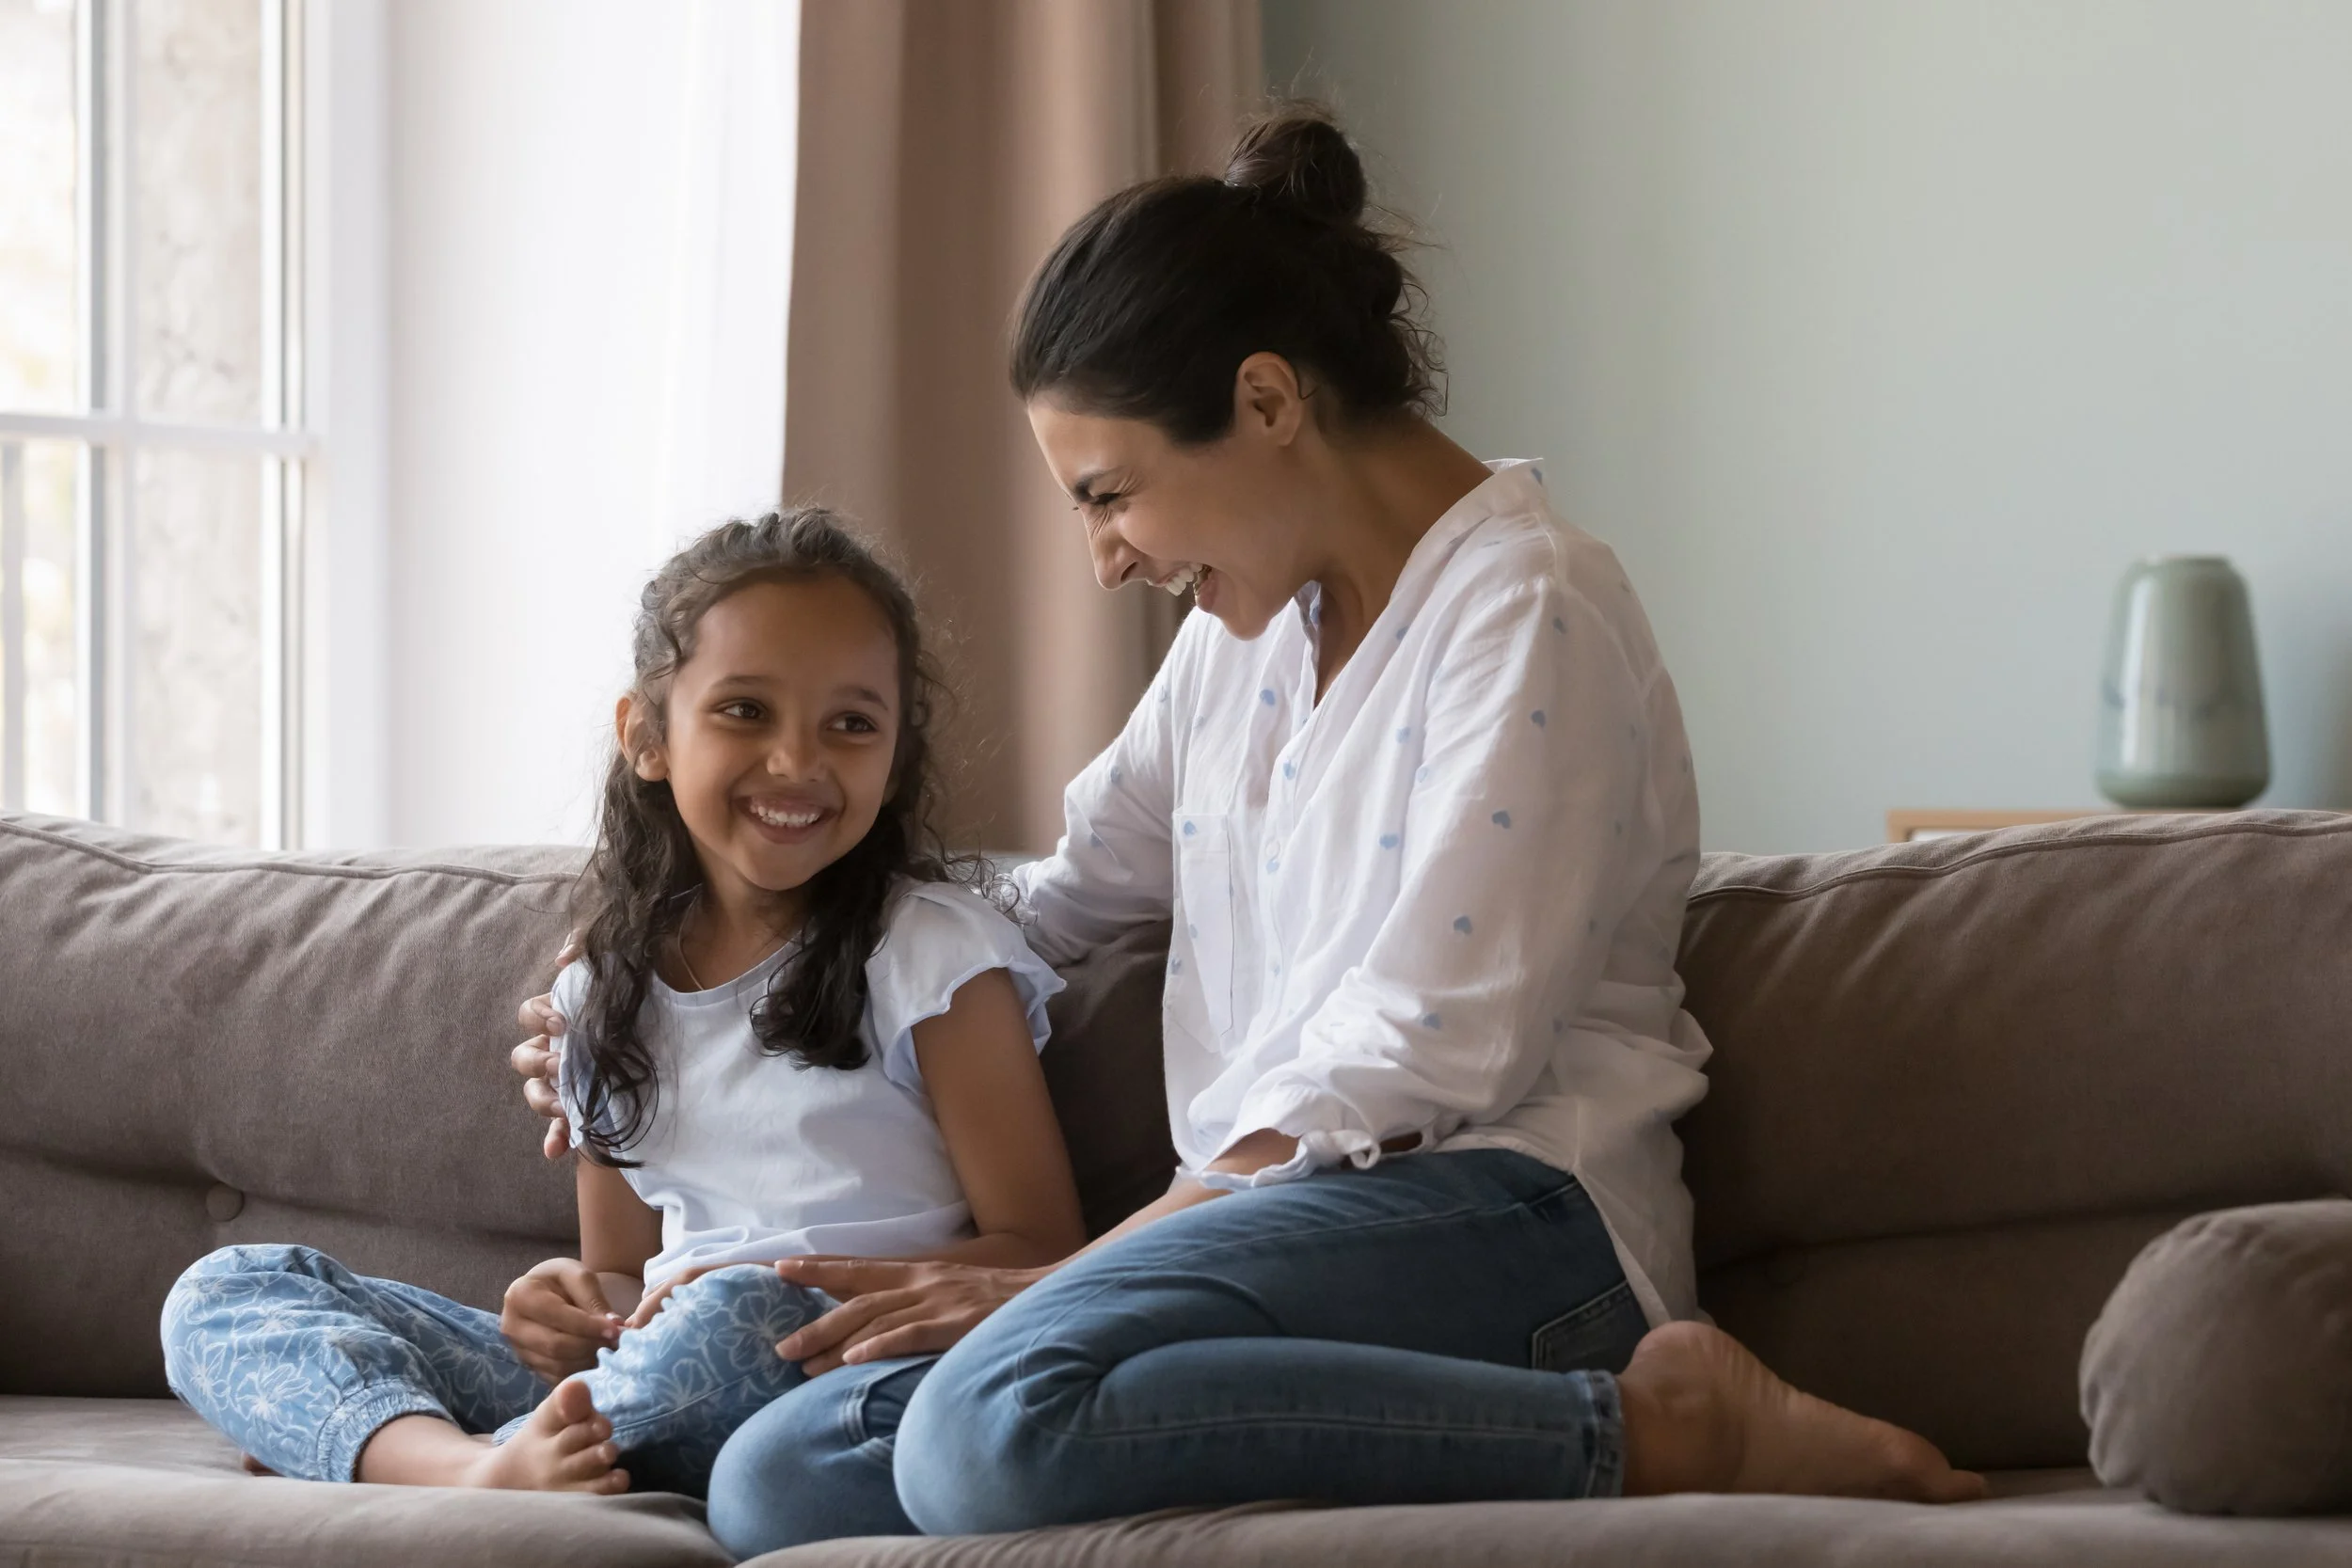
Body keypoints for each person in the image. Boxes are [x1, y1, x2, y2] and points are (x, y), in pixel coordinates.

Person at [517, 108, 1986, 1549]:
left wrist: (1068, 1274)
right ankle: (1199, 1403)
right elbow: (1046, 903)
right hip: (1251, 1244)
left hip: (1510, 1213)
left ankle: (1658, 1425)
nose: (1106, 562)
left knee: (986, 1423)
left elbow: (1418, 1051)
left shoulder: (1527, 608)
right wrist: (698, 985)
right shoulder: (1242, 639)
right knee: (776, 1481)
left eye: (1111, 495)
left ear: (1270, 403)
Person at [163, 512, 1084, 1501]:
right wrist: (560, 1304)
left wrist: (783, 1280)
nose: (796, 762)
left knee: (733, 1312)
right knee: (226, 1289)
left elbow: (1042, 1250)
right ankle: (473, 1466)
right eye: (744, 710)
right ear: (647, 735)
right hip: (645, 1363)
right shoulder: (600, 989)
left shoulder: (934, 953)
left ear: (895, 757)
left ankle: (398, 1448)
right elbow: (619, 1274)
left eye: (851, 724)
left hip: (815, 1365)